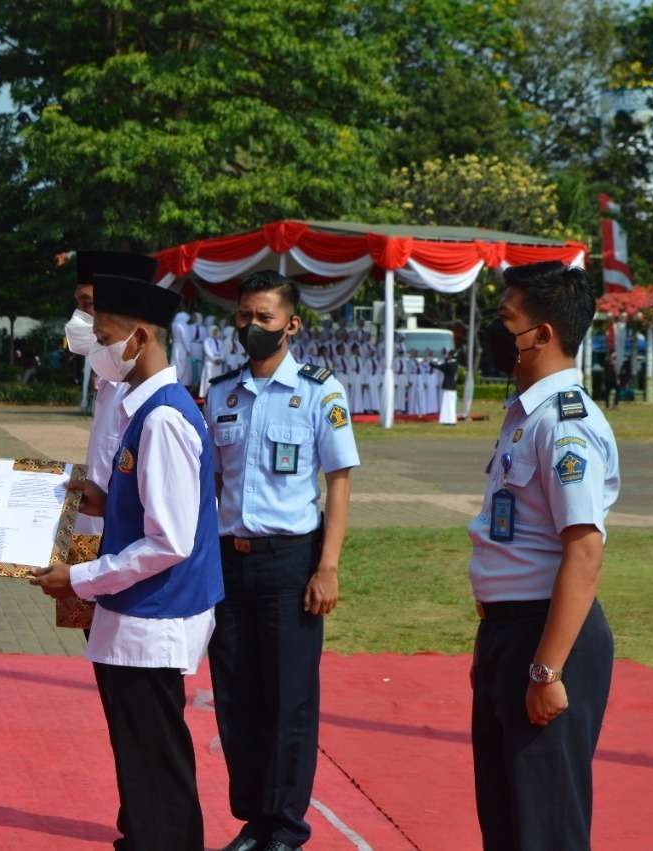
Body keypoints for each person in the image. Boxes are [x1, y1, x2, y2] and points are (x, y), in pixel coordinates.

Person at [33, 271, 222, 851]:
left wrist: (80, 579)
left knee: (153, 762)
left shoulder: (162, 417)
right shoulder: (144, 407)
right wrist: (100, 499)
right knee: (142, 760)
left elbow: (169, 541)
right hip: (136, 611)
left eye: (106, 333)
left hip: (152, 616)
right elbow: (144, 506)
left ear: (139, 337)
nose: (101, 347)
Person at [204, 270, 359, 851]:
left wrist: (328, 566)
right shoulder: (222, 392)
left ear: (291, 324)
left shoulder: (321, 390)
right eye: (244, 316)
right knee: (237, 692)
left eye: (264, 318)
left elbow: (338, 482)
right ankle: (254, 817)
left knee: (289, 696)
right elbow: (213, 482)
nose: (252, 327)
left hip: (291, 561)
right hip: (230, 561)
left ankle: (287, 826)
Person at [471, 261, 618, 851]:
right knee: (505, 819)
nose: (497, 333)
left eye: (507, 320)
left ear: (544, 334)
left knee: (545, 827)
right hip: (511, 634)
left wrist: (545, 669)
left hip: (549, 638)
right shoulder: (524, 414)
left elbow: (583, 552)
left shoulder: (565, 425)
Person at [64, 251, 161, 540]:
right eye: (77, 304)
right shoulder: (110, 372)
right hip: (97, 531)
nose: (80, 318)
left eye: (88, 304)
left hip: (129, 544)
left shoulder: (154, 402)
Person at [438, 348, 460, 425]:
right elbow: (440, 367)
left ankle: (451, 420)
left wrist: (446, 359)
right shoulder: (450, 363)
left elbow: (448, 368)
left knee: (450, 404)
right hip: (449, 386)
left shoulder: (453, 364)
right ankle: (446, 420)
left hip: (451, 386)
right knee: (446, 404)